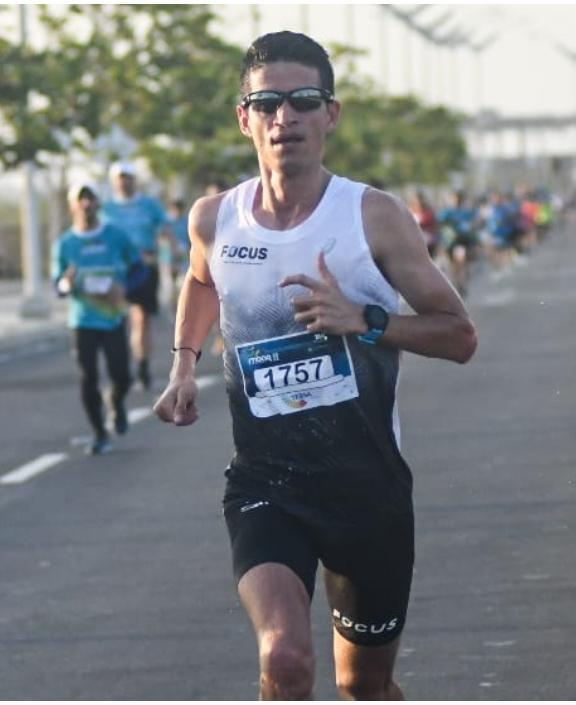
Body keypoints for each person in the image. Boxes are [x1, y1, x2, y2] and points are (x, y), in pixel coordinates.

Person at [152, 31, 476, 700]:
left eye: (303, 100)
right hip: (268, 483)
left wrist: (368, 320)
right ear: (245, 117)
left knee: (364, 686)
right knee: (287, 659)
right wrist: (183, 362)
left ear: (330, 113)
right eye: (267, 102)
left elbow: (459, 335)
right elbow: (201, 280)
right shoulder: (216, 219)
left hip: (368, 489)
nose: (285, 117)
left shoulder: (373, 217)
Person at [52, 182, 144, 455]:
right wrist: (66, 284)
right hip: (82, 321)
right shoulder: (66, 244)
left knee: (122, 377)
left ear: (98, 203)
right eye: (80, 199)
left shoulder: (116, 235)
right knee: (87, 377)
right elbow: (57, 286)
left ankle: (116, 402)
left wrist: (125, 287)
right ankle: (99, 432)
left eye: (90, 198)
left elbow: (139, 270)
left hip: (113, 318)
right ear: (72, 205)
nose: (86, 204)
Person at [102, 161, 172, 390]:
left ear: (135, 180)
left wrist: (173, 250)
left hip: (144, 266)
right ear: (113, 181)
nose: (124, 181)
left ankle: (142, 364)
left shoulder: (149, 205)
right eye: (120, 177)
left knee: (142, 319)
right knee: (118, 320)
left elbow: (165, 230)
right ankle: (122, 365)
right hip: (117, 270)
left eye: (128, 177)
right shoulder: (106, 209)